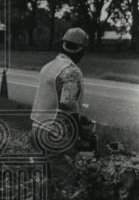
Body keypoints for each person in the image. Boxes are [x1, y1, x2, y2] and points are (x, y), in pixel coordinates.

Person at [30, 26, 94, 156]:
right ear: (81, 50)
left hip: (36, 128)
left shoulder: (48, 66)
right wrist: (79, 129)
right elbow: (67, 104)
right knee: (61, 168)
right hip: (53, 133)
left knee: (42, 167)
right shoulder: (72, 71)